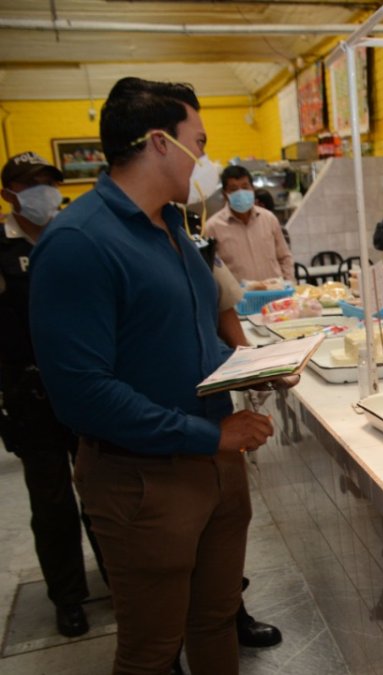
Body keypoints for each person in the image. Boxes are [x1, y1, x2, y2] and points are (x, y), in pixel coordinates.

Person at [29, 76, 276, 674]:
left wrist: (256, 364)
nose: (207, 157)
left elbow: (189, 342)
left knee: (216, 621)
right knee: (152, 649)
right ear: (161, 142)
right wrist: (210, 437)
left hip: (217, 466)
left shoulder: (172, 228)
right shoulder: (79, 243)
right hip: (144, 481)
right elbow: (83, 393)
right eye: (201, 140)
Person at [0, 152, 105, 639]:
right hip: (28, 394)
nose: (43, 192)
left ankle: (120, 578)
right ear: (9, 194)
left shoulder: (74, 235)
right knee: (52, 502)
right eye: (31, 184)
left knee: (102, 491)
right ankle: (68, 597)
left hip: (83, 384)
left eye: (49, 182)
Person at [206, 165, 295, 283]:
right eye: (233, 189)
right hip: (239, 299)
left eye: (245, 187)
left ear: (252, 189)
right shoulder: (212, 227)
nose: (240, 192)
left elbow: (284, 257)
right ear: (225, 194)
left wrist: (289, 284)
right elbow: (211, 270)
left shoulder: (269, 219)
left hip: (276, 296)